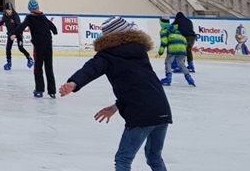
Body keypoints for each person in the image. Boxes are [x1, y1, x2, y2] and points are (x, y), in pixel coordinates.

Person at [59, 16, 172, 171]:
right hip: (162, 110)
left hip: (141, 114)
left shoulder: (108, 56)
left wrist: (74, 82)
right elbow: (139, 87)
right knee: (154, 157)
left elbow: (91, 69)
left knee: (123, 159)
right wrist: (115, 107)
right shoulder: (139, 51)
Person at [17, 0, 58, 98]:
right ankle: (52, 91)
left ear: (29, 8)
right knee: (49, 67)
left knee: (38, 67)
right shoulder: (43, 17)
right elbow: (53, 27)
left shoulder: (30, 17)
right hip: (48, 44)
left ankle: (39, 90)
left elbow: (22, 26)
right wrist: (55, 31)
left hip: (39, 45)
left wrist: (13, 33)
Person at [0, 1, 33, 70]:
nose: (9, 11)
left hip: (18, 33)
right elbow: (2, 21)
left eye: (10, 9)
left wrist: (15, 34)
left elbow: (18, 26)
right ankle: (9, 62)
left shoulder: (15, 15)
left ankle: (29, 58)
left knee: (20, 48)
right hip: (10, 33)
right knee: (8, 48)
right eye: (8, 10)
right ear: (5, 10)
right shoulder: (5, 16)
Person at [158, 18, 195, 87]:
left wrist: (160, 52)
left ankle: (168, 79)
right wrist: (183, 48)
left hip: (173, 48)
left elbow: (164, 42)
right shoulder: (176, 30)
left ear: (161, 23)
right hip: (182, 48)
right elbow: (184, 40)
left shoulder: (164, 30)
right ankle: (189, 78)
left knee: (168, 62)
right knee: (181, 63)